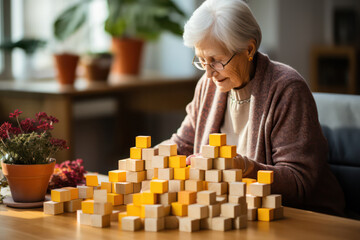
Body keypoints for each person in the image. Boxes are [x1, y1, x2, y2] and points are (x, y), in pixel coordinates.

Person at [162, 0, 345, 216]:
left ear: (249, 49)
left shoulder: (287, 89)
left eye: (217, 61)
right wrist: (149, 158)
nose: (209, 73)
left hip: (301, 216)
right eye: (201, 60)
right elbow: (182, 144)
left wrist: (244, 168)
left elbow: (298, 182)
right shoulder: (208, 85)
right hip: (236, 212)